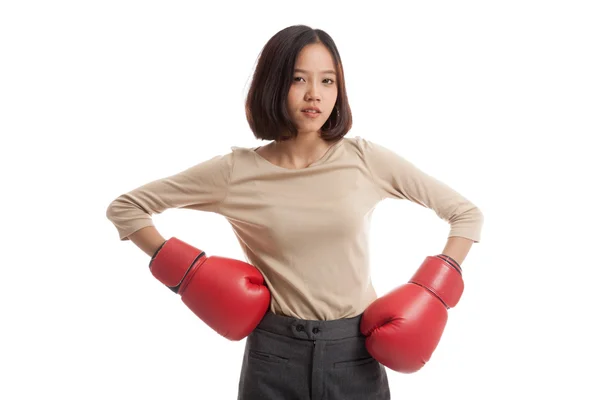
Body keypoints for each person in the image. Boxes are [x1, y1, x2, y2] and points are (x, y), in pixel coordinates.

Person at [106, 24, 484, 400]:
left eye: (328, 81)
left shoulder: (364, 160)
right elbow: (127, 208)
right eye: (299, 79)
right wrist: (191, 275)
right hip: (274, 354)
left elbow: (465, 215)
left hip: (354, 353)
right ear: (274, 84)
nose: (314, 95)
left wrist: (431, 294)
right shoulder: (236, 172)